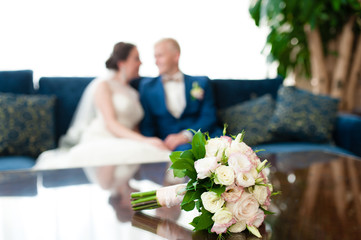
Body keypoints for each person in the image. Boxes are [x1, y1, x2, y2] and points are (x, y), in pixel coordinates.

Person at [36, 42, 171, 188]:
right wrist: (145, 140)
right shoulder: (103, 86)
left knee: (159, 152)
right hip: (103, 137)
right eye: (136, 58)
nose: (140, 63)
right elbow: (111, 124)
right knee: (145, 154)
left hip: (127, 139)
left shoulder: (134, 92)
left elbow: (134, 127)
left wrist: (147, 141)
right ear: (122, 63)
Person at [139, 38, 222, 152]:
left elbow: (209, 116)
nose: (156, 62)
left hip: (203, 137)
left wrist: (186, 135)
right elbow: (147, 125)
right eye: (155, 57)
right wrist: (152, 146)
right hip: (169, 145)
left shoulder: (202, 82)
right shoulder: (147, 87)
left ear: (176, 56)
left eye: (160, 56)